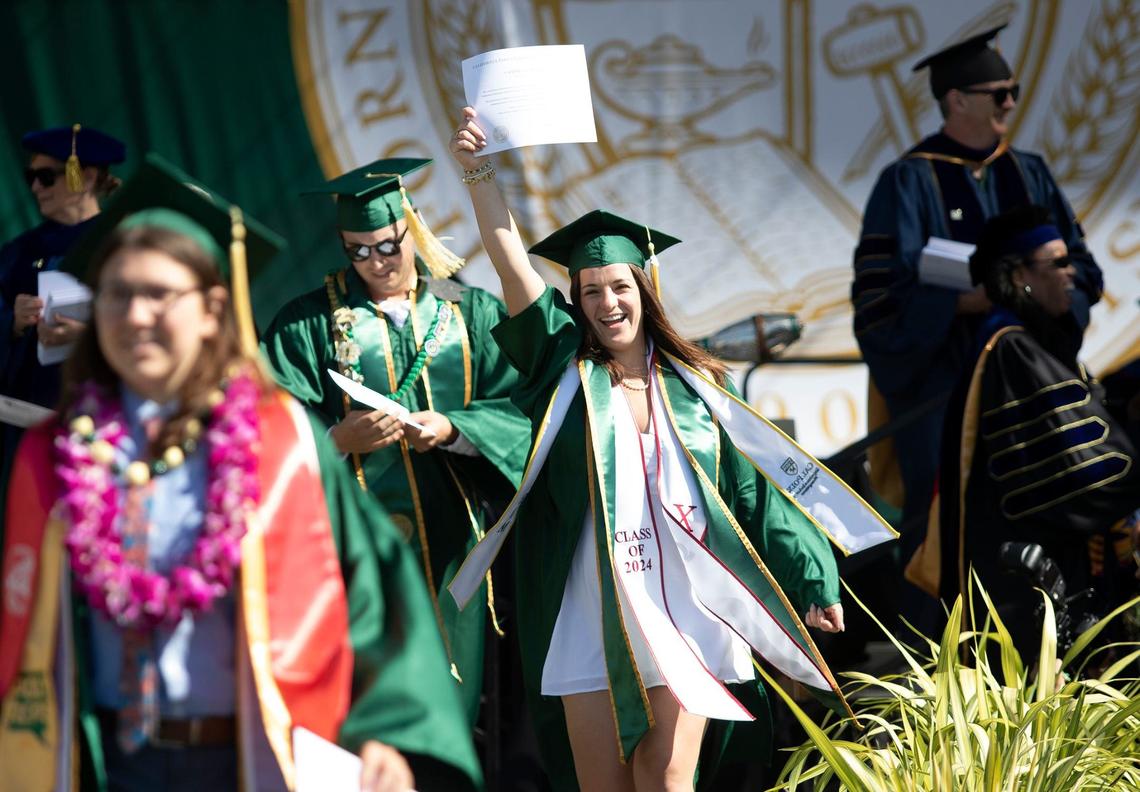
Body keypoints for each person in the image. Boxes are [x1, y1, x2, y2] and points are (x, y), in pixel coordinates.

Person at [0, 156, 481, 792]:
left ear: (211, 309)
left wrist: (381, 727)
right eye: (116, 293)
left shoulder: (278, 441)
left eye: (159, 295)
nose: (135, 315)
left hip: (256, 757)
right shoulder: (56, 456)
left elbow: (372, 587)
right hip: (101, 762)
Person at [448, 108, 895, 792]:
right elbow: (511, 264)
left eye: (619, 286)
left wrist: (810, 575)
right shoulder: (563, 369)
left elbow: (750, 495)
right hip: (592, 605)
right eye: (590, 291)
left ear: (644, 290)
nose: (606, 303)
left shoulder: (697, 392)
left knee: (664, 779)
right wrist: (479, 174)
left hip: (684, 607)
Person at [261, 158, 530, 724]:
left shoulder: (469, 313)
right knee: (364, 707)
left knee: (449, 708)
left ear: (413, 228)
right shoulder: (306, 324)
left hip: (455, 547)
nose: (375, 262)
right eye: (357, 251)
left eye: (387, 245)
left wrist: (456, 429)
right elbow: (267, 426)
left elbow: (522, 409)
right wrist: (336, 438)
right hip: (349, 551)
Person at [850, 23, 1104, 610]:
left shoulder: (1031, 173)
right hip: (944, 392)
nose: (1011, 104)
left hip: (1033, 384)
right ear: (957, 101)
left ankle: (1055, 655)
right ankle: (944, 679)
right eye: (999, 93)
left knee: (1048, 517)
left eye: (1013, 91)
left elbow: (1084, 269)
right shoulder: (906, 182)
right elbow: (877, 297)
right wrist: (957, 302)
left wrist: (1054, 297)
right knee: (947, 527)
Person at [908, 205, 1139, 658]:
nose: (1072, 274)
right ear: (1017, 277)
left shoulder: (1024, 344)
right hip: (1024, 582)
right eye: (1058, 262)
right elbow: (1079, 471)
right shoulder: (1012, 349)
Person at [1, 124, 126, 544]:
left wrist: (94, 332)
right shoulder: (17, 254)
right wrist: (13, 322)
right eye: (30, 177)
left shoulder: (124, 243)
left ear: (86, 176)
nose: (36, 187)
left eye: (47, 176)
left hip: (105, 431)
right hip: (26, 430)